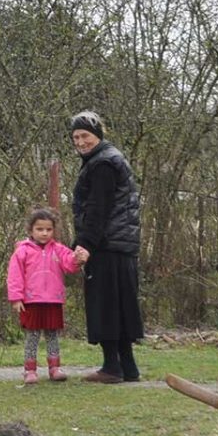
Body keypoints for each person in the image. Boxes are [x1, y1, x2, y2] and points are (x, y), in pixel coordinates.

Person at [68, 111, 145, 383]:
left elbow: (98, 209)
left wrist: (86, 244)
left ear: (97, 135)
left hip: (107, 245)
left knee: (107, 306)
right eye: (76, 137)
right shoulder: (107, 159)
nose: (80, 142)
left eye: (85, 136)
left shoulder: (102, 164)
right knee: (121, 306)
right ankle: (128, 368)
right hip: (120, 245)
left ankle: (112, 367)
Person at [6, 207, 81, 384]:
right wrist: (16, 298)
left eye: (48, 229)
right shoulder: (22, 251)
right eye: (40, 229)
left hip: (53, 300)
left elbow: (70, 265)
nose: (44, 233)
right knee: (32, 336)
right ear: (31, 230)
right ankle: (30, 370)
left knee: (52, 335)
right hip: (31, 301)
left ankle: (55, 368)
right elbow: (14, 276)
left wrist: (78, 258)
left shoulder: (59, 249)